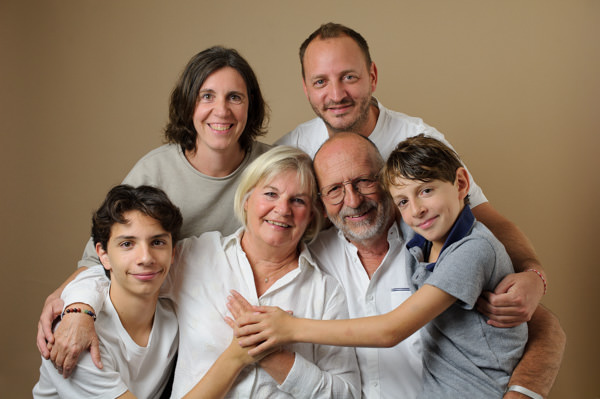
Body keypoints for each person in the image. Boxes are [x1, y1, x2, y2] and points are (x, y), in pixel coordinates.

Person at [232, 133, 565, 398]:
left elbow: (391, 330)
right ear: (320, 202)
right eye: (335, 189)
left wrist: (535, 275)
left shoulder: (446, 245)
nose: (352, 200)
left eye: (364, 181)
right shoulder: (311, 260)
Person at [276, 22, 547, 325]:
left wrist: (534, 275)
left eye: (349, 77)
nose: (336, 94)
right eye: (320, 82)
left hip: (419, 298)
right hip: (341, 298)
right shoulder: (292, 150)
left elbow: (485, 218)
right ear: (306, 88)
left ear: (372, 76)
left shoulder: (418, 138)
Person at [37, 46, 273, 375]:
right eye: (207, 96)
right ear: (188, 103)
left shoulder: (272, 169)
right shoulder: (156, 170)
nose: (221, 110)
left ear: (251, 105)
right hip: (164, 332)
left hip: (239, 325)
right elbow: (101, 257)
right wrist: (74, 307)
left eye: (235, 97)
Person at [55, 146, 361, 398]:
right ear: (246, 198)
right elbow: (121, 274)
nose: (282, 209)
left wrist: (274, 355)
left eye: (298, 200)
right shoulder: (196, 255)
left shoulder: (326, 292)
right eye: (270, 194)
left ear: (312, 216)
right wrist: (79, 310)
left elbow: (348, 394)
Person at [33, 185, 181, 398]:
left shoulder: (172, 314)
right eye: (127, 244)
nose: (146, 258)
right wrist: (234, 358)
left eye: (157, 242)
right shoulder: (75, 337)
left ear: (173, 252)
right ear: (103, 255)